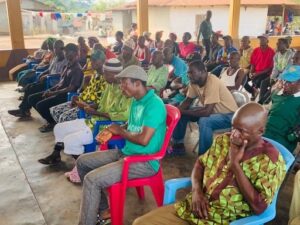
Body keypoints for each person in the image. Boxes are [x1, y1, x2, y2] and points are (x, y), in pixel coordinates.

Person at [133, 102, 286, 225]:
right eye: (233, 127)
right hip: (191, 209)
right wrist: (196, 191)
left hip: (222, 219)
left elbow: (259, 207)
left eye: (242, 130)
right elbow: (200, 163)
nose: (234, 134)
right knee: (140, 222)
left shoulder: (270, 160)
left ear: (260, 131)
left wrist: (235, 165)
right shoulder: (223, 140)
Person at [76, 65, 167, 225]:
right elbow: (131, 124)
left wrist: (120, 130)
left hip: (144, 162)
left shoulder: (154, 105)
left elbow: (144, 139)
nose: (121, 87)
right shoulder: (136, 101)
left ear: (138, 83)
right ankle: (104, 210)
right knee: (82, 162)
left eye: (124, 83)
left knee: (92, 180)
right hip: (127, 153)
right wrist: (115, 129)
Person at [38, 59, 131, 178]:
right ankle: (68, 159)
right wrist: (89, 107)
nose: (103, 75)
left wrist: (95, 112)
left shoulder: (126, 90)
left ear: (115, 74)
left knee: (71, 140)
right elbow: (101, 103)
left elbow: (124, 116)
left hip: (105, 127)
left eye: (105, 72)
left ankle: (83, 169)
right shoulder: (110, 85)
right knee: (59, 128)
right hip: (93, 120)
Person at [8, 43, 83, 132]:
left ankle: (52, 122)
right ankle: (46, 116)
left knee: (40, 105)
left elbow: (71, 88)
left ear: (74, 53)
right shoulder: (68, 65)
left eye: (67, 52)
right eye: (65, 51)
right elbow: (60, 83)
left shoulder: (77, 69)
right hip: (58, 91)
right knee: (32, 98)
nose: (65, 53)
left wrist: (53, 93)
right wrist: (50, 90)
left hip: (65, 96)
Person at [171, 60, 238, 155]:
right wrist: (178, 110)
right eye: (188, 72)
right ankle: (178, 146)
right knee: (180, 111)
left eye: (192, 72)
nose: (189, 75)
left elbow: (206, 112)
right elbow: (187, 101)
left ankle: (204, 157)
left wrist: (182, 111)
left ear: (202, 72)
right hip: (213, 113)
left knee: (205, 120)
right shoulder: (194, 82)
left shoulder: (212, 81)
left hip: (229, 116)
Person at [50, 50, 107, 124]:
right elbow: (87, 91)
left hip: (91, 109)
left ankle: (72, 132)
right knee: (54, 110)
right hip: (83, 102)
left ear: (103, 61)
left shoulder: (106, 79)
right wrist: (77, 97)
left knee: (64, 117)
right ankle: (67, 131)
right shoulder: (95, 74)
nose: (92, 62)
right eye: (91, 60)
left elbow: (101, 103)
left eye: (95, 60)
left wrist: (85, 105)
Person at [264, 65, 300, 153]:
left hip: (282, 141)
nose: (285, 84)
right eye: (284, 80)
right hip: (264, 134)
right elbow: (267, 111)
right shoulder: (276, 94)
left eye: (290, 82)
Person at [258, 38, 294, 104]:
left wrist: (278, 78)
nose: (277, 45)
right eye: (277, 43)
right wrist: (272, 78)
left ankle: (262, 102)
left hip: (287, 76)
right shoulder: (276, 55)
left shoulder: (290, 54)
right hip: (278, 74)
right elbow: (275, 68)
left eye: (280, 43)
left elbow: (289, 68)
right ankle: (262, 100)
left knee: (274, 86)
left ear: (285, 44)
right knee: (264, 82)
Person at [244, 34, 275, 101]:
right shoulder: (256, 50)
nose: (261, 41)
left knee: (259, 81)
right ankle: (253, 91)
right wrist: (251, 72)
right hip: (255, 72)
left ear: (267, 41)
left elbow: (270, 68)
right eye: (260, 39)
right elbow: (253, 64)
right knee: (243, 79)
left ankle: (262, 94)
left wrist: (257, 73)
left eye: (263, 39)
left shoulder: (271, 52)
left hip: (266, 73)